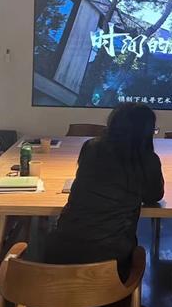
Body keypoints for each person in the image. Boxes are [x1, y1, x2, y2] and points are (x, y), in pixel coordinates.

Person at [43, 103, 164, 281]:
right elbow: (154, 196)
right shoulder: (147, 159)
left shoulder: (91, 147)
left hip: (59, 257)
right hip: (111, 266)